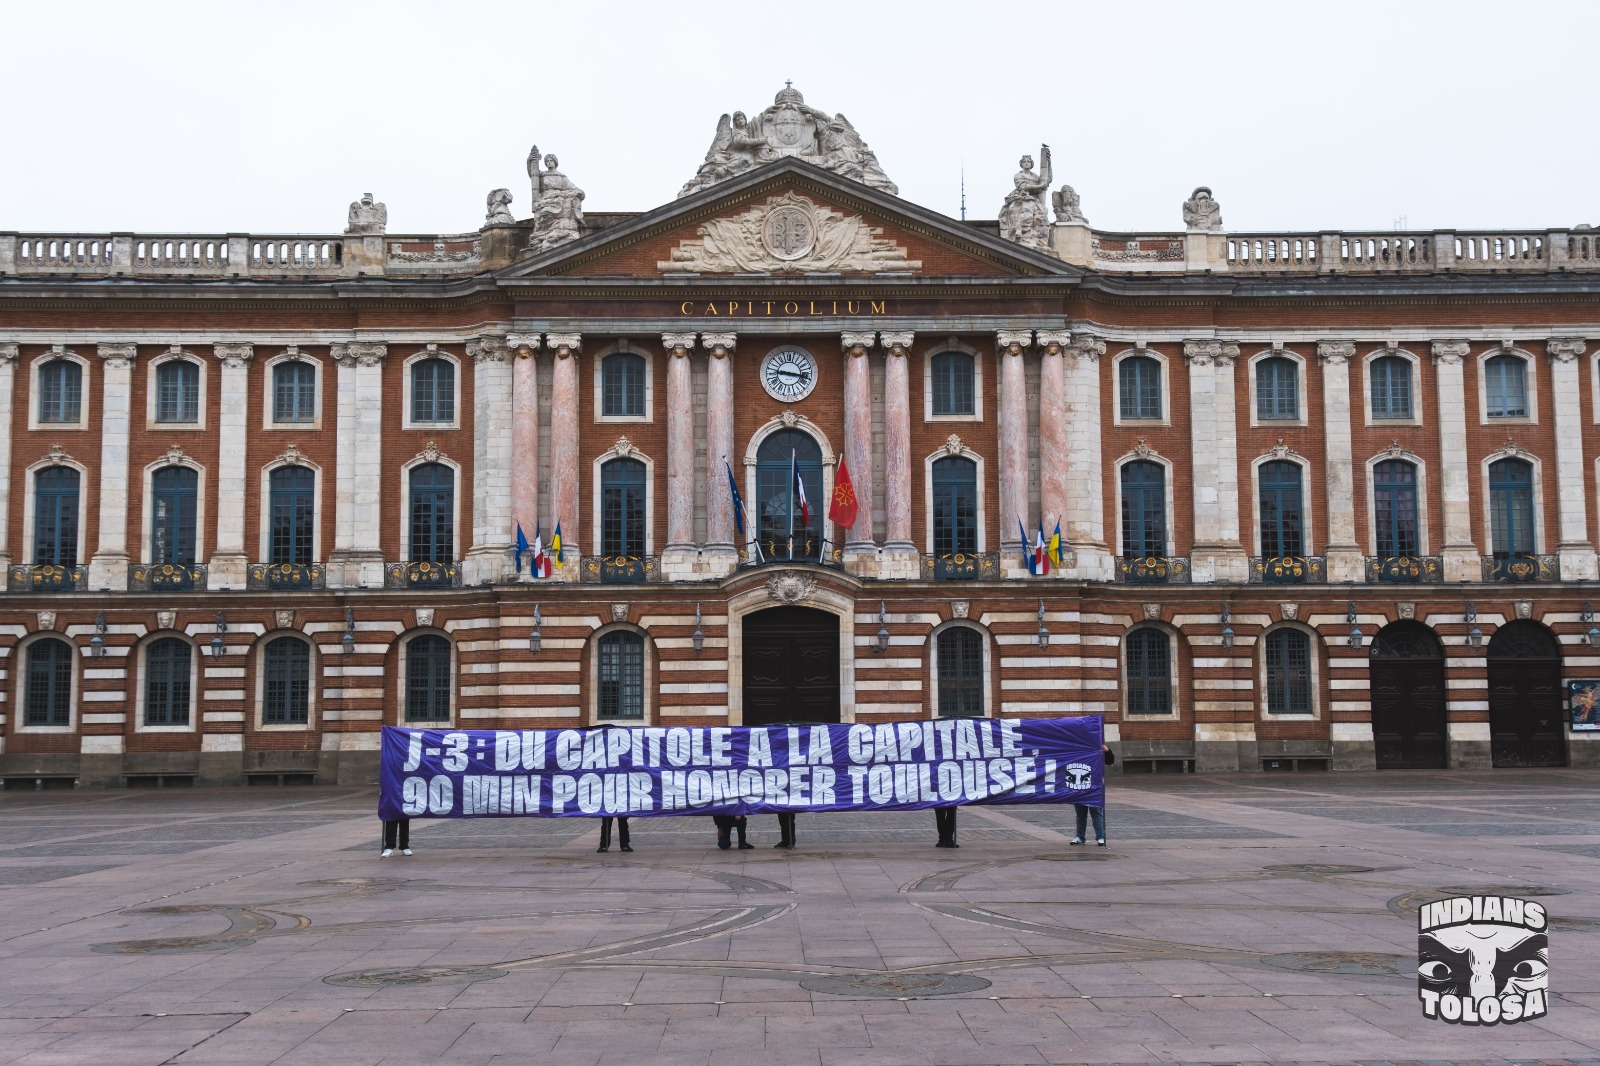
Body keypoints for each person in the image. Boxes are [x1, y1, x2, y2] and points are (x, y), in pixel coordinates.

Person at [1071, 744, 1114, 847]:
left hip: (1095, 786)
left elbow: (1109, 761)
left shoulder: (1098, 746)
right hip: (1079, 786)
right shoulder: (1075, 748)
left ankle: (1100, 837)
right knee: (1080, 813)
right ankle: (1080, 836)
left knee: (1096, 811)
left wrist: (1107, 751)